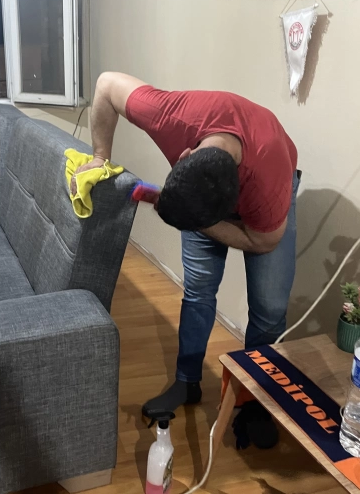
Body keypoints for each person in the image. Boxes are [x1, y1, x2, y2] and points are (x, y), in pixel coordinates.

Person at [76, 72, 300, 449]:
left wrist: (203, 222)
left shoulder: (266, 187)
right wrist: (100, 156)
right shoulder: (171, 116)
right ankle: (187, 381)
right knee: (197, 291)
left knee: (269, 309)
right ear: (185, 155)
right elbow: (106, 85)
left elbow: (262, 241)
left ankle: (254, 398)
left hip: (267, 208)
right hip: (208, 190)